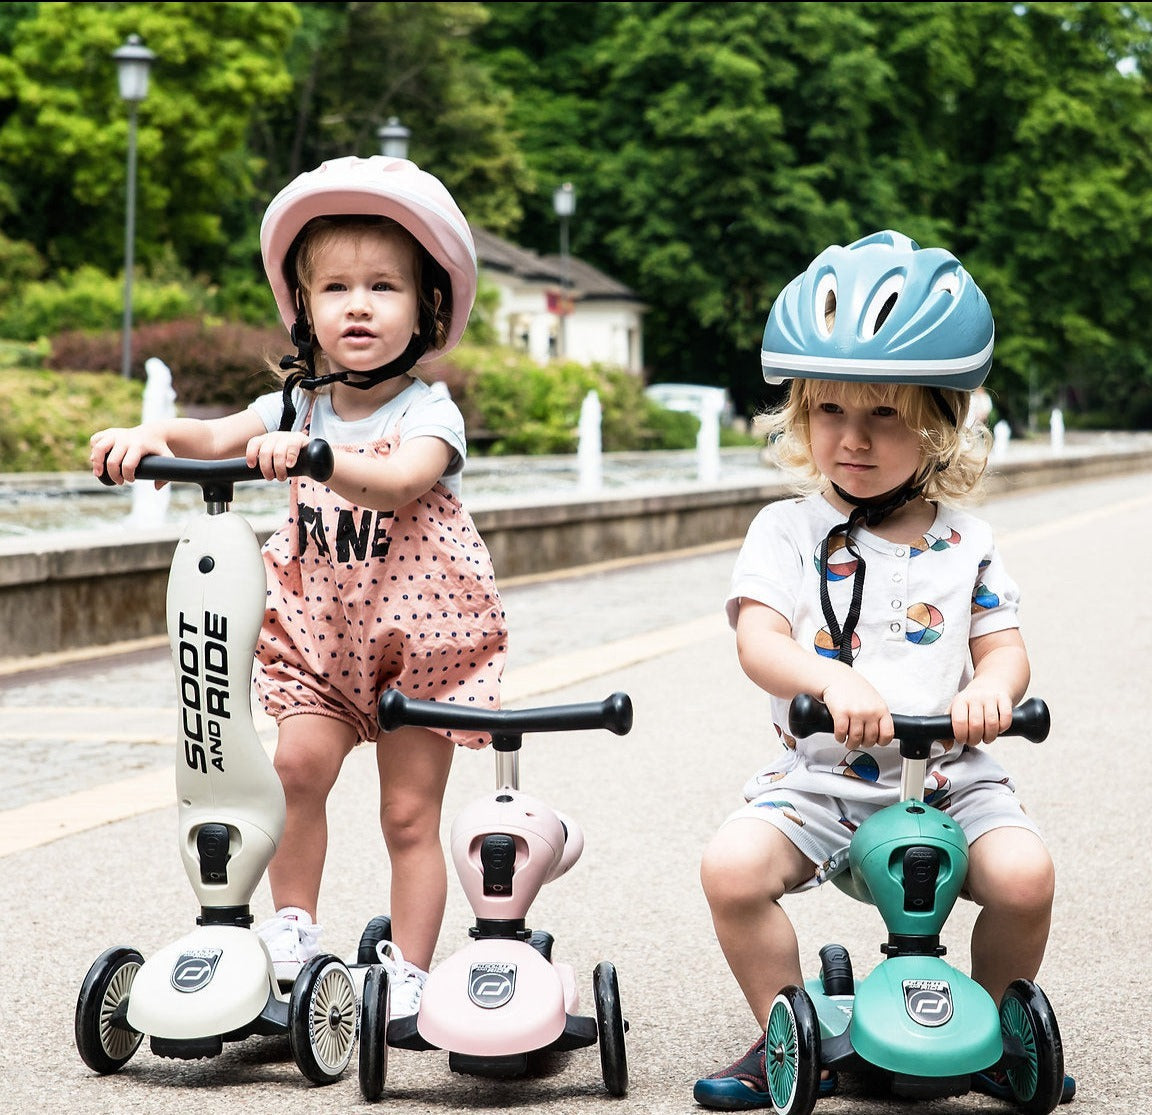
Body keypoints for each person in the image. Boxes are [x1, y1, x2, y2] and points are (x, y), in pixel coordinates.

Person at [89, 155, 508, 1028]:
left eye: (385, 287)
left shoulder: (427, 412)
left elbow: (401, 484)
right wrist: (145, 433)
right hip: (320, 637)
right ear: (305, 309)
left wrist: (322, 458)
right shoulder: (294, 405)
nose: (359, 305)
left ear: (427, 307)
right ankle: (293, 932)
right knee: (292, 773)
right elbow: (208, 435)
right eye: (338, 288)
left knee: (406, 813)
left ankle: (413, 974)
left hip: (417, 646)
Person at [693, 230, 1074, 1108]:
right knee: (732, 868)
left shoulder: (968, 542)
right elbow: (760, 639)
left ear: (939, 422)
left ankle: (995, 1026)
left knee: (1025, 876)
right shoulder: (784, 532)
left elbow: (1004, 646)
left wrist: (991, 689)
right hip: (824, 779)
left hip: (949, 779)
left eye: (884, 415)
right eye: (830, 411)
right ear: (803, 415)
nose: (851, 439)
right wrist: (830, 680)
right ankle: (782, 1032)